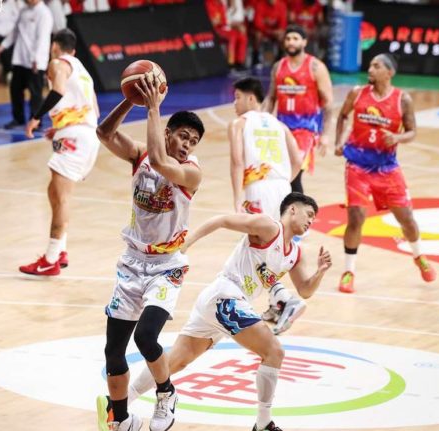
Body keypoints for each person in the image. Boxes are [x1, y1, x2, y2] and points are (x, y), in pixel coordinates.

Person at [126, 193, 331, 431]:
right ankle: (263, 422)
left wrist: (320, 272)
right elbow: (221, 220)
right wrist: (184, 246)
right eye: (309, 214)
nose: (311, 221)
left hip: (220, 303)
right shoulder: (268, 227)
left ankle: (119, 402)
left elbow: (305, 290)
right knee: (274, 351)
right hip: (226, 296)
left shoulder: (294, 253)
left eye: (314, 219)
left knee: (175, 362)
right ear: (293, 210)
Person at [95, 74, 205, 431]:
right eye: (183, 136)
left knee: (146, 337)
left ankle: (166, 393)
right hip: (132, 262)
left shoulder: (190, 172)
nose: (187, 144)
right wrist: (132, 99)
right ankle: (122, 418)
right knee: (113, 352)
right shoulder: (141, 155)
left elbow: (159, 162)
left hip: (166, 266)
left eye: (193, 140)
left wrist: (155, 106)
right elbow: (104, 134)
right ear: (168, 132)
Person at [334, 53, 436, 293]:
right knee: (356, 217)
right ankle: (349, 271)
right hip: (357, 165)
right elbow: (342, 115)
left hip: (387, 168)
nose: (370, 69)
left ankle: (419, 255)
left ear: (389, 72)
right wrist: (339, 141)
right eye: (370, 65)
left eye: (376, 66)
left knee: (406, 218)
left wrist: (398, 137)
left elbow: (412, 131)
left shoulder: (403, 99)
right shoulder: (357, 93)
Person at [19, 29, 100, 275]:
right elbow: (93, 109)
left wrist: (35, 117)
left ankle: (50, 260)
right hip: (81, 134)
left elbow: (58, 92)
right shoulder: (83, 71)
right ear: (74, 50)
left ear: (54, 46)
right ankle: (60, 250)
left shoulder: (57, 63)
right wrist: (61, 127)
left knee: (61, 196)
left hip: (76, 137)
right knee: (54, 191)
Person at [229, 77, 304, 335]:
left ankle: (284, 298)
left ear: (251, 98)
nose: (234, 103)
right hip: (283, 188)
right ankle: (276, 303)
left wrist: (238, 197)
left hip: (257, 189)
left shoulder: (240, 123)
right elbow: (298, 160)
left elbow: (237, 162)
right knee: (272, 250)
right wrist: (283, 180)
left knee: (256, 250)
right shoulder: (280, 124)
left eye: (237, 97)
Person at [263, 24, 334, 194]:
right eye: (288, 39)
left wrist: (325, 134)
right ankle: (290, 211)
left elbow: (329, 103)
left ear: (304, 42)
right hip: (282, 127)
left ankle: (298, 213)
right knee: (281, 173)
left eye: (295, 39)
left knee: (294, 171)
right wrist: (261, 121)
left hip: (306, 128)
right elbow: (271, 98)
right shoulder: (278, 67)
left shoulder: (316, 67)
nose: (291, 42)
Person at [0, 0, 54, 129]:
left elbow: (43, 38)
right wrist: (2, 47)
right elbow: (15, 32)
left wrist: (37, 59)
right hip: (20, 58)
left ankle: (36, 120)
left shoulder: (44, 13)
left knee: (35, 93)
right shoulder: (23, 11)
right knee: (15, 90)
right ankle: (18, 118)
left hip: (35, 61)